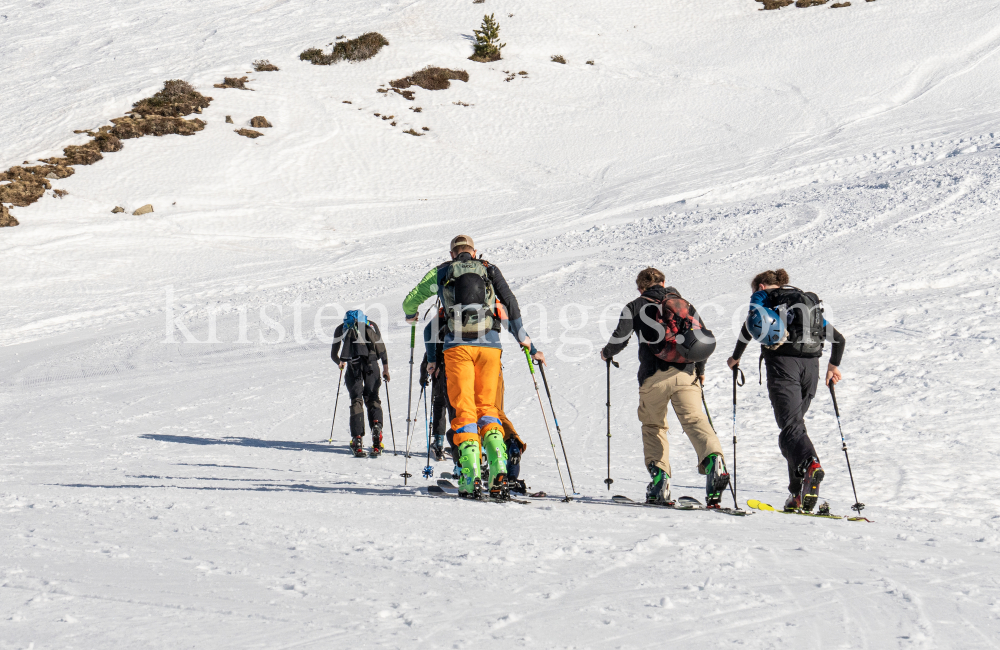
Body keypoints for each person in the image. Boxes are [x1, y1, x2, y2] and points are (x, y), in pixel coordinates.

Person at [403, 235, 545, 500]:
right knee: (489, 408)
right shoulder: (489, 269)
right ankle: (499, 469)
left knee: (465, 411)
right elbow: (510, 302)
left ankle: (470, 476)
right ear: (474, 252)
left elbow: (410, 302)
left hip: (456, 349)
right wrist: (526, 340)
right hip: (490, 348)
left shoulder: (443, 271)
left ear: (452, 253)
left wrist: (411, 314)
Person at [600, 268, 730, 507]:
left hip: (653, 378)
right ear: (663, 282)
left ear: (641, 288)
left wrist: (607, 353)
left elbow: (620, 337)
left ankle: (660, 480)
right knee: (695, 421)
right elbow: (701, 338)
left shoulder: (635, 305)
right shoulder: (684, 304)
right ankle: (714, 460)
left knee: (653, 426)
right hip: (686, 375)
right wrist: (700, 371)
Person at [726, 268, 846, 513]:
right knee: (794, 429)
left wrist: (735, 358)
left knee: (790, 428)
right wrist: (833, 366)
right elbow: (839, 339)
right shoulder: (804, 303)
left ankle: (811, 465)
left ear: (760, 286)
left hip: (783, 365)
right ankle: (796, 494)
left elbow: (751, 324)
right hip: (811, 367)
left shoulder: (764, 297)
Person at [331, 309, 390, 457]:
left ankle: (357, 440)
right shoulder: (372, 325)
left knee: (356, 399)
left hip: (353, 366)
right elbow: (381, 347)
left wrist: (340, 363)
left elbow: (334, 354)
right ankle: (377, 432)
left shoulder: (341, 328)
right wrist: (385, 369)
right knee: (372, 397)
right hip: (372, 366)